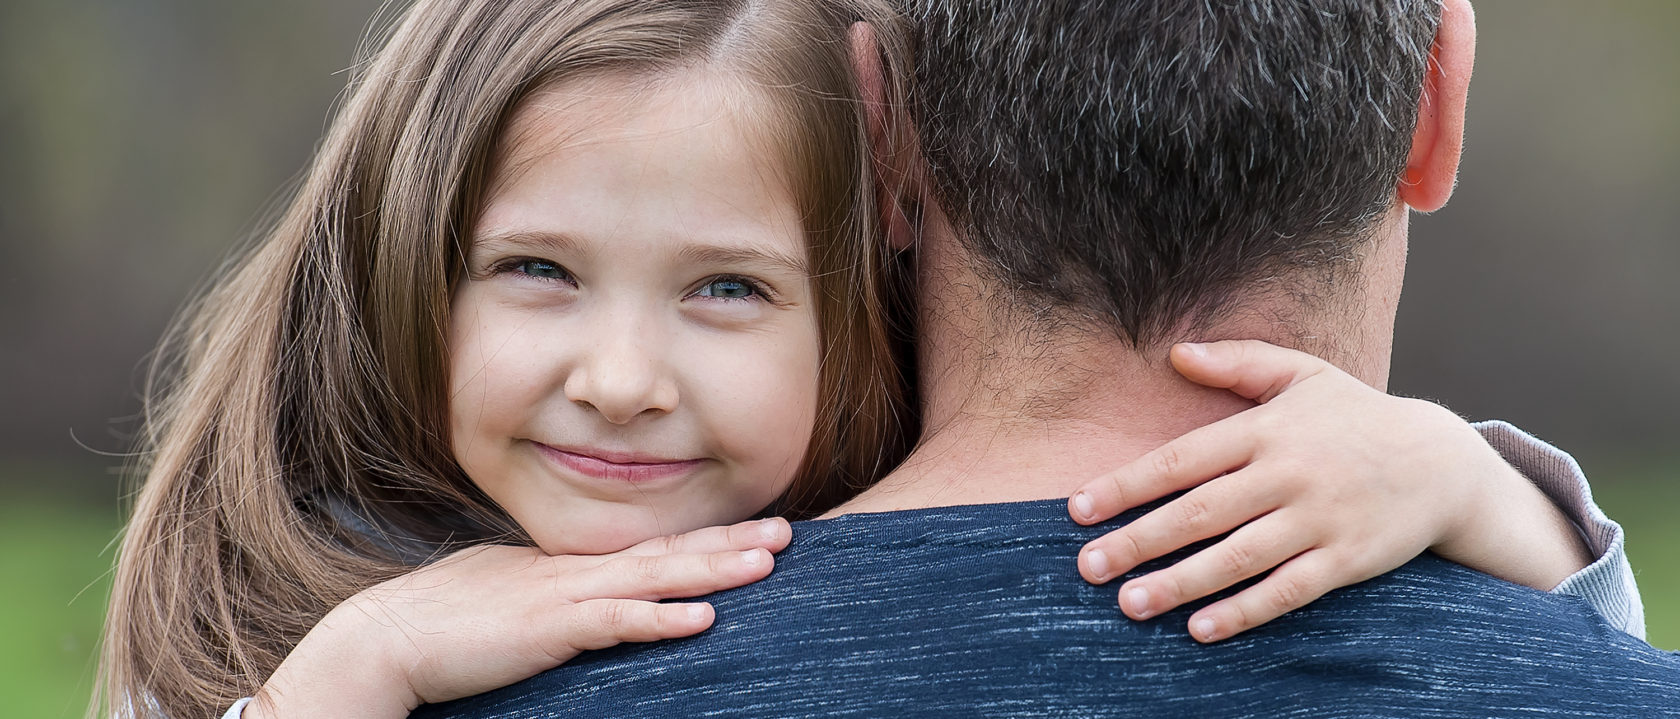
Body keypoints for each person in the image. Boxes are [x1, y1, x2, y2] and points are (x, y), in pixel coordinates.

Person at [96, 1, 1648, 718]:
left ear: (884, 151)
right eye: (537, 273)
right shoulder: (305, 648)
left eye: (724, 290)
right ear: (1439, 102)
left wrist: (1476, 486)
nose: (623, 379)